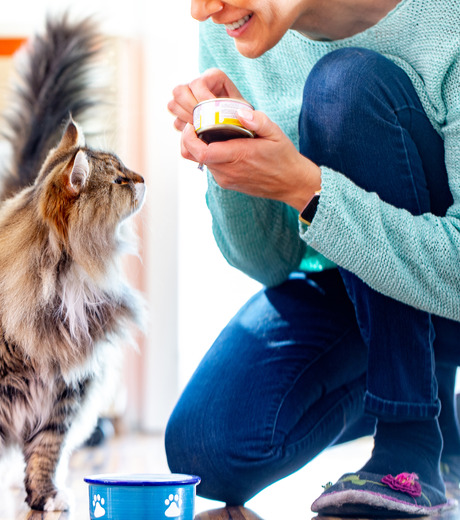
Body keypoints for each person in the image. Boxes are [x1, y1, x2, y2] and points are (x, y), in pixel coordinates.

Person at [164, 0, 460, 517]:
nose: (201, 10)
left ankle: (410, 440)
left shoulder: (446, 20)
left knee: (343, 87)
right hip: (347, 283)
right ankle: (434, 416)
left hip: (448, 288)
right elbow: (269, 264)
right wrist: (230, 160)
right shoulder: (235, 31)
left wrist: (308, 188)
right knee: (205, 448)